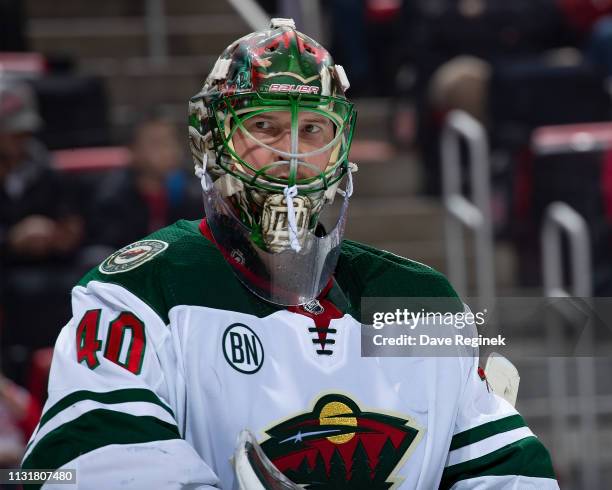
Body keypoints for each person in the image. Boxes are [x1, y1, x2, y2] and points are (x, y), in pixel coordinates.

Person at [22, 19, 558, 489]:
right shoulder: (140, 288)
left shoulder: (420, 298)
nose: (293, 154)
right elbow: (84, 466)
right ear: (210, 142)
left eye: (312, 130)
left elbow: (509, 470)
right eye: (264, 126)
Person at [87, 113, 203, 249]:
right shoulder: (113, 197)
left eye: (171, 141)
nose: (168, 150)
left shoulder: (193, 192)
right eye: (157, 144)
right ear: (134, 151)